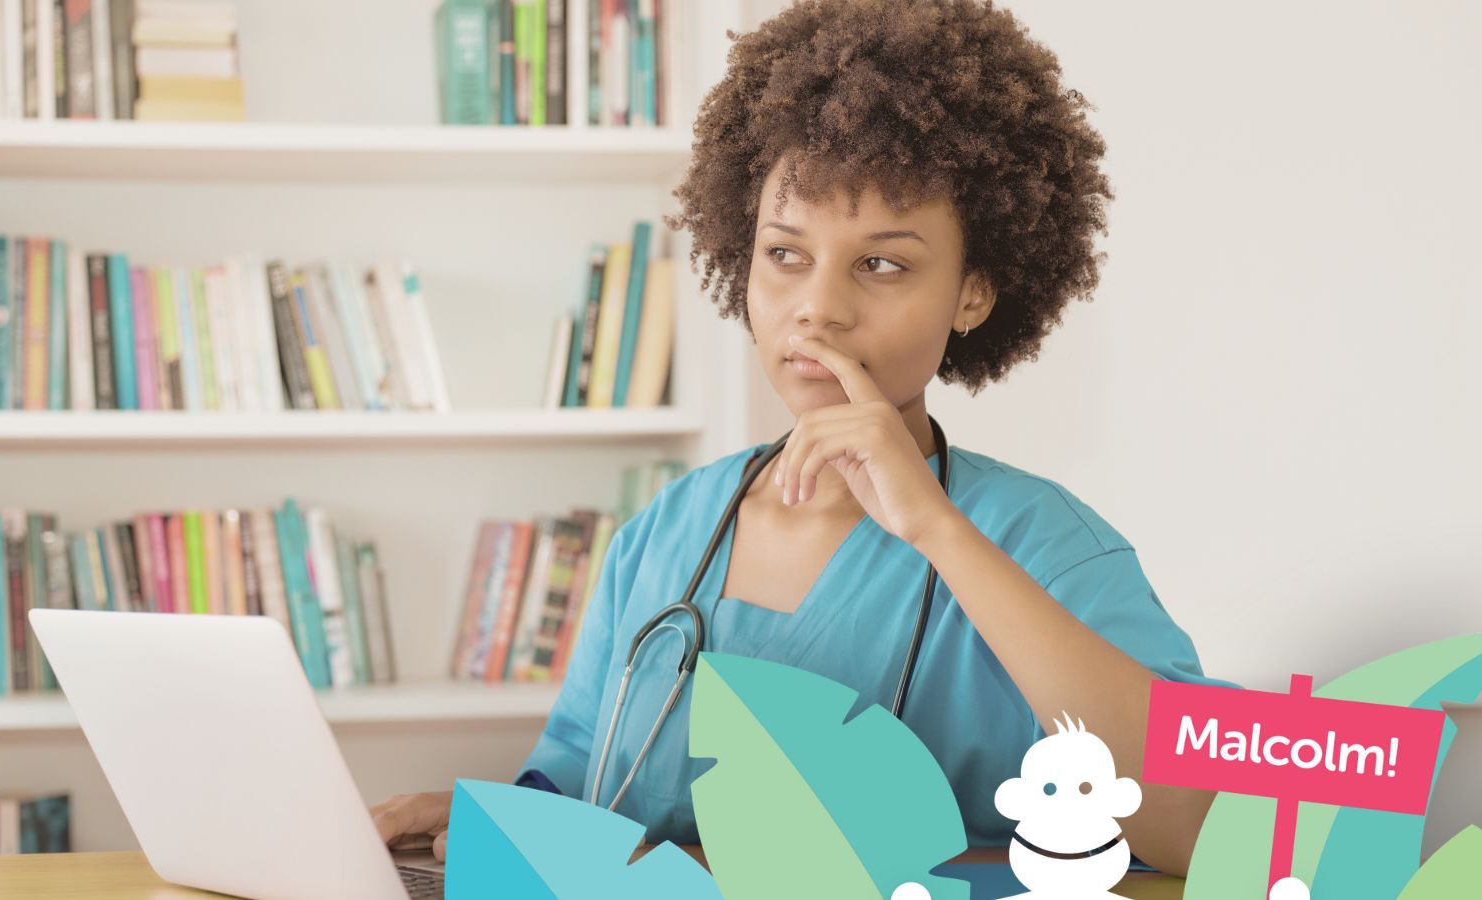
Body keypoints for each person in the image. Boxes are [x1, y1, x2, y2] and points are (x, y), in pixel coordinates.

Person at [372, 0, 1234, 876]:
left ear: (973, 293)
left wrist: (936, 528)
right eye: (785, 253)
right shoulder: (667, 533)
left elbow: (1210, 830)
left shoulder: (1048, 550)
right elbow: (588, 786)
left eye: (882, 263)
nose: (817, 306)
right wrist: (492, 817)